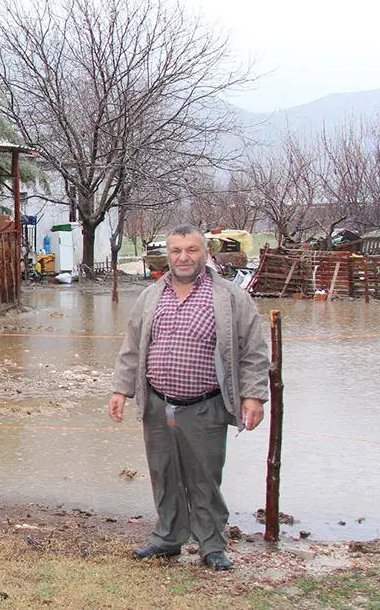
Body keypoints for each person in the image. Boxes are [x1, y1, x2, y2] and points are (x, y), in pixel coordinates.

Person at [108, 224, 270, 571]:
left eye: (191, 250)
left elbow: (255, 350)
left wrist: (254, 396)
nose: (184, 258)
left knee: (205, 477)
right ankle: (167, 538)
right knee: (163, 472)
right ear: (168, 255)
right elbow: (132, 347)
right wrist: (121, 389)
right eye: (177, 251)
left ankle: (211, 544)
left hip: (206, 406)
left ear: (205, 253)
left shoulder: (230, 297)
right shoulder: (151, 296)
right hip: (157, 405)